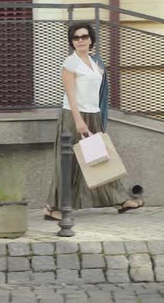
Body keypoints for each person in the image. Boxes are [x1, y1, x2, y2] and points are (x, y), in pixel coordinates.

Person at [44, 22, 144, 221]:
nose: (80, 40)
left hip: (94, 114)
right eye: (76, 37)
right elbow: (71, 95)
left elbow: (100, 93)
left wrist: (97, 117)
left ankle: (119, 200)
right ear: (71, 42)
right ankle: (52, 207)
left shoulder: (95, 61)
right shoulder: (70, 63)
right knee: (67, 162)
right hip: (74, 116)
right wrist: (79, 121)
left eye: (84, 36)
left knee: (100, 159)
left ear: (91, 39)